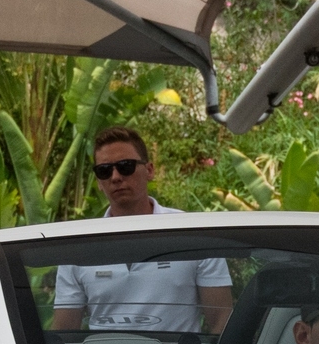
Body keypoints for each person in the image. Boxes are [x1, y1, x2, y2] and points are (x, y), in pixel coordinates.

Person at [48, 128, 232, 333]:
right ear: (99, 182)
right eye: (104, 170)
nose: (115, 177)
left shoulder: (193, 233)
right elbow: (64, 333)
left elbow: (221, 321)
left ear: (150, 170)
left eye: (125, 166)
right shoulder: (79, 246)